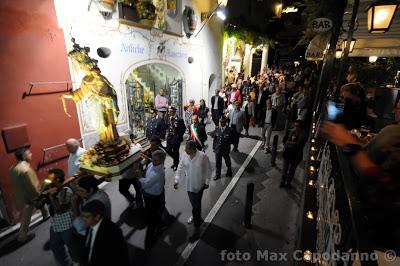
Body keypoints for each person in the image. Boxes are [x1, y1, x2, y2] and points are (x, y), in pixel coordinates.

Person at [321, 103, 400, 250]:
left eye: (399, 108)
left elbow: (388, 191)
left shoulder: (392, 133)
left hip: (376, 232)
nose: (394, 110)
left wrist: (351, 145)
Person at [10, 148, 49, 243]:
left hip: (20, 195)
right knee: (26, 218)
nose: (31, 154)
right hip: (28, 197)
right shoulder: (26, 169)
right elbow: (33, 186)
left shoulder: (13, 168)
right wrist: (39, 195)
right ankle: (22, 237)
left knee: (42, 205)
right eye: (29, 153)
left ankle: (46, 215)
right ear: (24, 157)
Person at [174, 141, 212, 234]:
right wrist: (177, 180)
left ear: (193, 149)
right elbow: (180, 167)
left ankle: (197, 220)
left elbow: (209, 169)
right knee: (194, 203)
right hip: (189, 185)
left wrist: (207, 182)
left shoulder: (203, 156)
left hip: (199, 185)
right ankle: (196, 216)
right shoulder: (184, 155)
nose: (185, 150)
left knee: (197, 204)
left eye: (186, 148)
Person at [46, 168, 79, 266]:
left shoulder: (66, 190)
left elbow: (59, 209)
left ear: (58, 179)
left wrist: (51, 197)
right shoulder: (51, 189)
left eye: (51, 178)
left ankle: (77, 262)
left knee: (72, 248)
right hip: (55, 225)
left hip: (67, 225)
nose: (48, 180)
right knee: (55, 247)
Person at [81, 200, 129, 266]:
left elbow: (120, 256)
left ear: (97, 216)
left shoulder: (113, 231)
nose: (83, 219)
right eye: (82, 216)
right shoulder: (90, 225)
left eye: (86, 217)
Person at [138, 150, 166, 249]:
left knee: (151, 220)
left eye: (156, 160)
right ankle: (161, 223)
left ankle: (148, 242)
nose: (153, 161)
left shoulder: (158, 173)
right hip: (147, 195)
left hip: (153, 197)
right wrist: (146, 160)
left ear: (162, 161)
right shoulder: (153, 164)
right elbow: (149, 163)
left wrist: (139, 176)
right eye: (153, 159)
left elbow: (145, 183)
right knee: (154, 214)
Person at [281, 120, 307, 188]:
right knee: (285, 169)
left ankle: (288, 183)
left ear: (301, 127)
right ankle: (283, 182)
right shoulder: (290, 131)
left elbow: (299, 146)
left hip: (296, 156)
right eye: (294, 125)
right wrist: (293, 143)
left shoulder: (304, 136)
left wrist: (289, 142)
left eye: (297, 126)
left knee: (292, 171)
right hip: (287, 153)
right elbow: (284, 141)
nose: (295, 127)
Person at [165, 106, 186, 171]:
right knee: (168, 150)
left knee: (175, 151)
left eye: (170, 111)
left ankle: (176, 164)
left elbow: (183, 129)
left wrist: (179, 136)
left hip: (176, 138)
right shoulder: (168, 118)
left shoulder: (179, 119)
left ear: (174, 112)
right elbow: (167, 127)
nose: (169, 113)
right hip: (169, 137)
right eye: (169, 111)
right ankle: (176, 160)